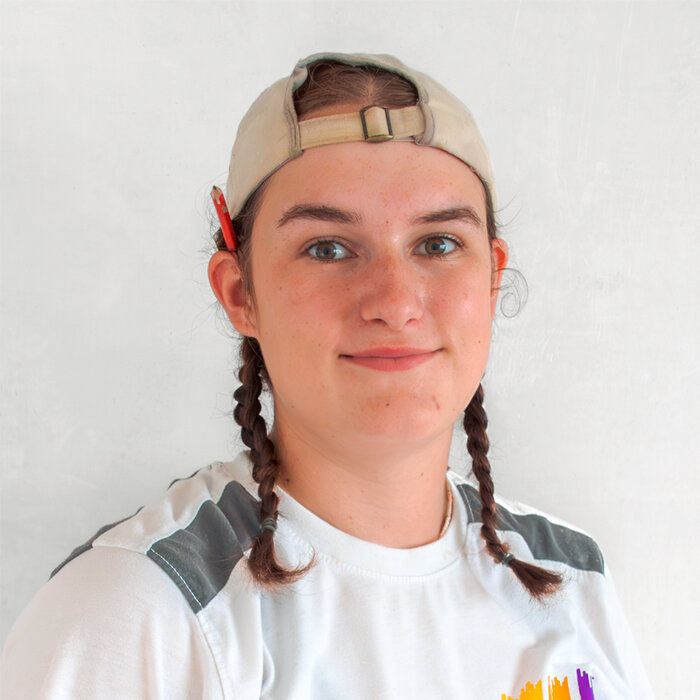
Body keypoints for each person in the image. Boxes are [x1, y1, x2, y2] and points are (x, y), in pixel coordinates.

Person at [0, 52, 653, 699]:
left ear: (491, 278)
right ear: (241, 293)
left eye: (438, 243)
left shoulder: (572, 580)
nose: (395, 302)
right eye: (328, 248)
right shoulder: (139, 614)